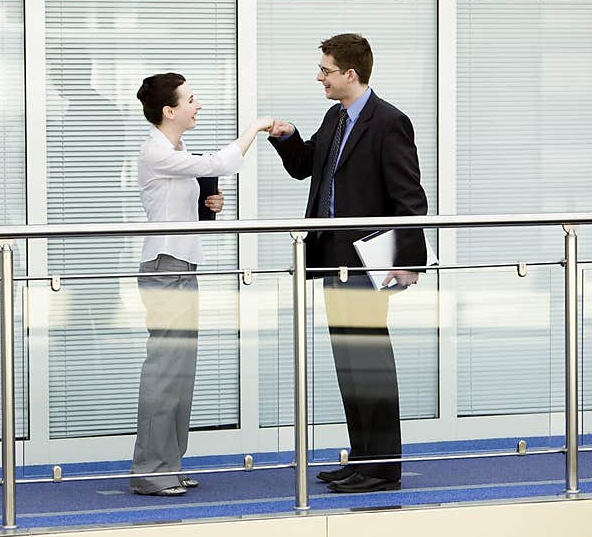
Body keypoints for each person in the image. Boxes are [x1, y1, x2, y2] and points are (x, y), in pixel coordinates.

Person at [267, 33, 428, 493]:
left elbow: (409, 197)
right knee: (350, 364)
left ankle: (382, 468)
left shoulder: (389, 122)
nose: (320, 77)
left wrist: (408, 260)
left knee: (370, 362)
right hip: (332, 258)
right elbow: (307, 167)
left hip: (367, 261)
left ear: (350, 74)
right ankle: (362, 459)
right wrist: (288, 138)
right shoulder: (335, 117)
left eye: (326, 70)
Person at [130, 72, 272, 496]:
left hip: (184, 266)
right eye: (192, 99)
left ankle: (168, 464)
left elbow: (192, 192)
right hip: (165, 268)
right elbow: (220, 163)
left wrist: (209, 203)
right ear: (169, 110)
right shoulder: (154, 150)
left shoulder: (177, 149)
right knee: (165, 372)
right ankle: (150, 470)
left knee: (181, 373)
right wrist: (256, 128)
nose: (199, 105)